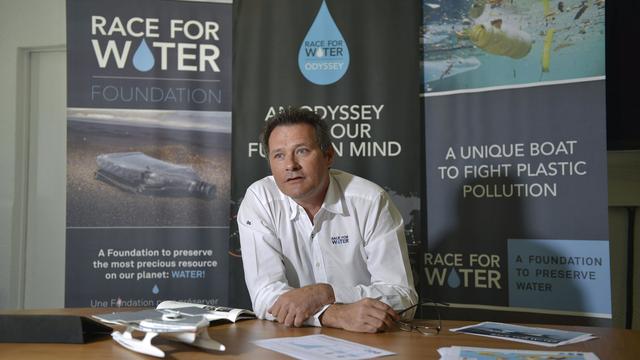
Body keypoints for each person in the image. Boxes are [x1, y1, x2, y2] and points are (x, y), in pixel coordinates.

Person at [237, 107, 417, 333]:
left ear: (328, 155)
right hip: (291, 340)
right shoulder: (260, 200)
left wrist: (327, 293)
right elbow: (265, 296)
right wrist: (333, 314)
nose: (290, 165)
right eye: (279, 155)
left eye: (301, 151)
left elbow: (404, 298)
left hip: (368, 341)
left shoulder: (370, 201)